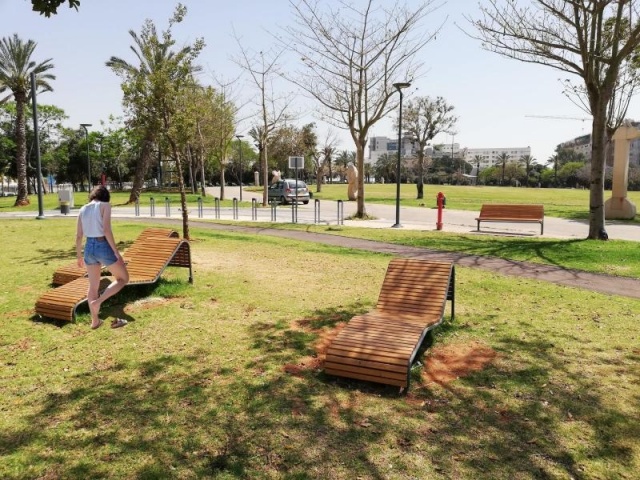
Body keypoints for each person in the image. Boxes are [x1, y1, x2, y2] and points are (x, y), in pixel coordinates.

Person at [76, 185, 129, 329]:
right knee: (123, 278)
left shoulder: (83, 209)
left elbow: (79, 235)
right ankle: (98, 302)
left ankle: (95, 321)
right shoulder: (105, 205)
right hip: (102, 244)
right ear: (105, 196)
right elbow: (106, 230)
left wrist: (79, 255)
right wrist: (116, 252)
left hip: (88, 247)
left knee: (93, 287)